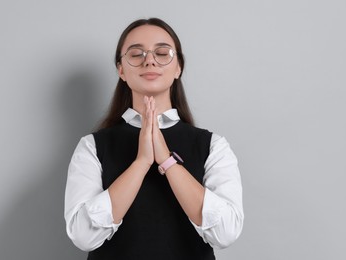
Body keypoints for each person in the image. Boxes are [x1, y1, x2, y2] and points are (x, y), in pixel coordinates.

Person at [64, 17, 244, 260]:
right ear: (121, 69)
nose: (149, 60)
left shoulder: (213, 146)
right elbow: (83, 236)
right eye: (136, 54)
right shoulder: (92, 147)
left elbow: (226, 233)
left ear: (178, 66)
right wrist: (141, 163)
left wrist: (167, 161)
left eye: (162, 52)